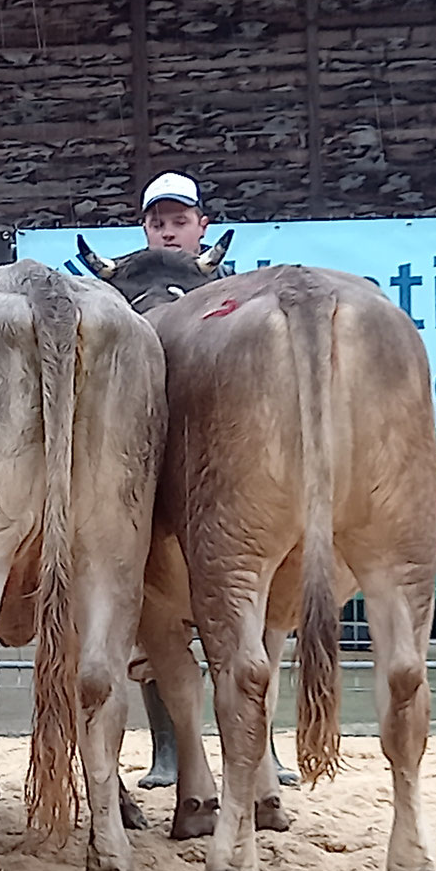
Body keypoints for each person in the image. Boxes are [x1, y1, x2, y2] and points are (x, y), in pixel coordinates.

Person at [127, 173, 298, 793]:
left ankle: (263, 748)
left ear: (202, 224)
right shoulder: (128, 298)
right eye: (157, 221)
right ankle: (170, 751)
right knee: (153, 614)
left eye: (179, 219)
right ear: (144, 229)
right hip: (157, 472)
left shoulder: (235, 300)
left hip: (226, 471)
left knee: (255, 614)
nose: (168, 229)